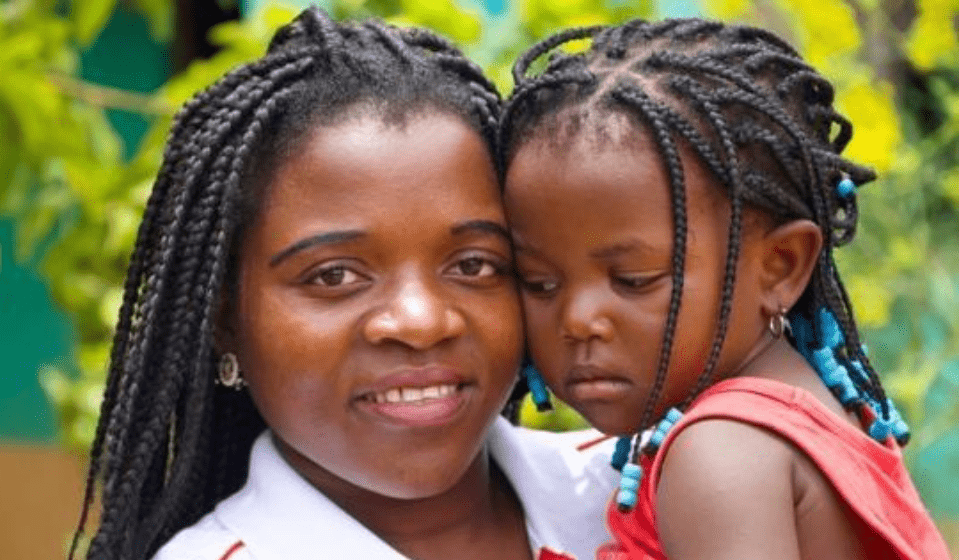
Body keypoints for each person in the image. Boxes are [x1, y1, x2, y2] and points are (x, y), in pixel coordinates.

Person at [69, 8, 618, 560]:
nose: (422, 322)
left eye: (473, 265)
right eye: (334, 276)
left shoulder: (647, 484)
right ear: (226, 322)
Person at [498, 18, 951, 560]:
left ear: (780, 267)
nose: (577, 320)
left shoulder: (720, 452)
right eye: (539, 282)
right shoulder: (822, 417)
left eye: (634, 280)